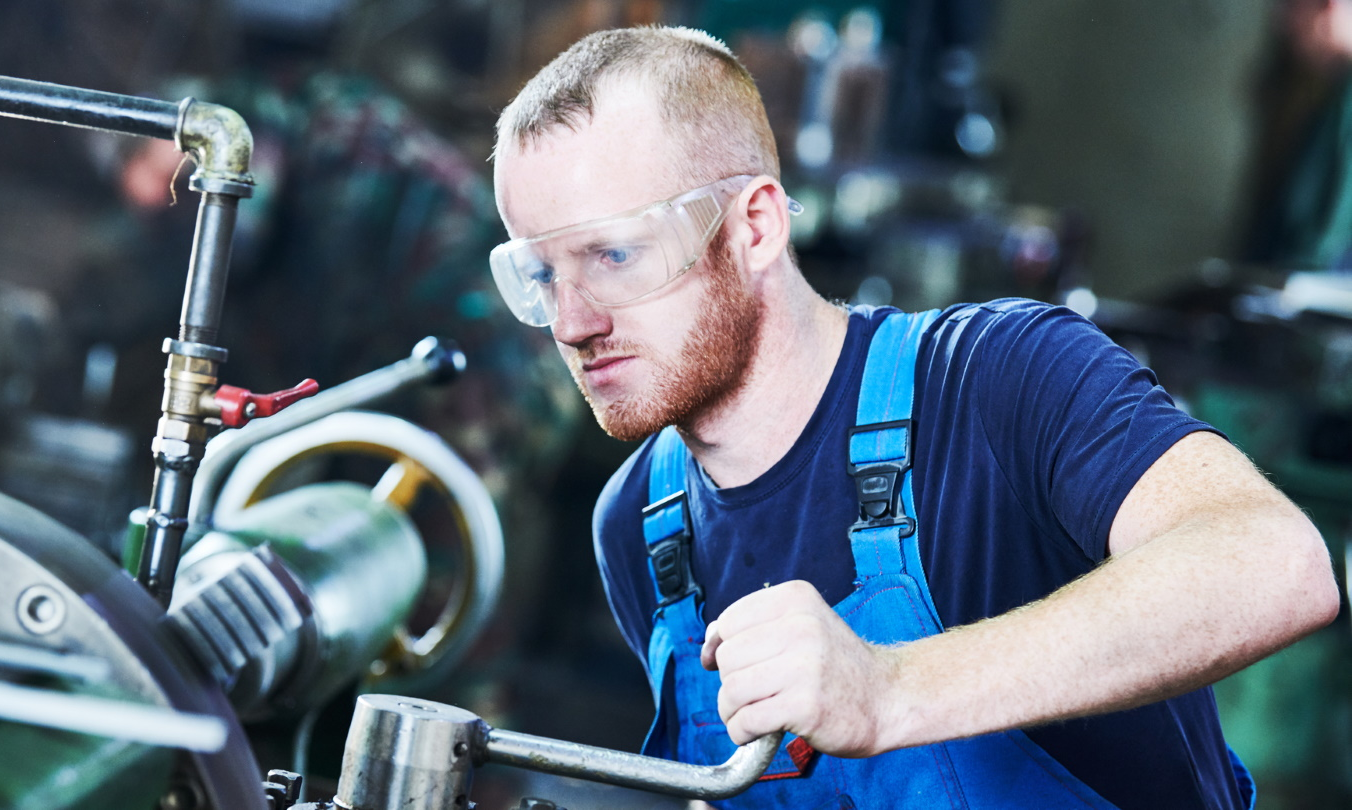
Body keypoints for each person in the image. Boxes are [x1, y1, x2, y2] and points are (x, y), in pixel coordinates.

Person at [487, 26, 1341, 810]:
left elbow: (1273, 565)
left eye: (615, 254)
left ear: (754, 228)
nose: (572, 322)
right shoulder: (640, 527)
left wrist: (891, 688)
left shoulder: (1001, 380)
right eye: (541, 276)